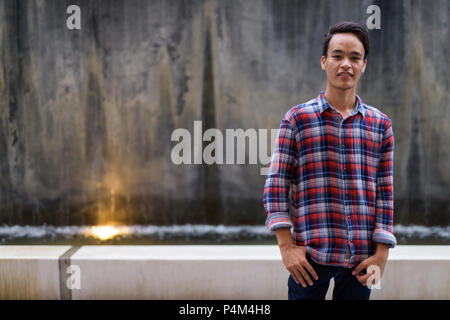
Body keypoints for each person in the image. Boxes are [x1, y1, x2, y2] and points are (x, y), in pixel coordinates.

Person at [263, 21, 396, 300]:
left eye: (354, 57)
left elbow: (385, 193)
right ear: (324, 62)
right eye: (337, 56)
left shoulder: (380, 124)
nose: (345, 64)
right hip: (311, 258)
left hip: (361, 261)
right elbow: (276, 186)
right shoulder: (298, 119)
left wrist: (381, 255)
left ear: (364, 65)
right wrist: (286, 247)